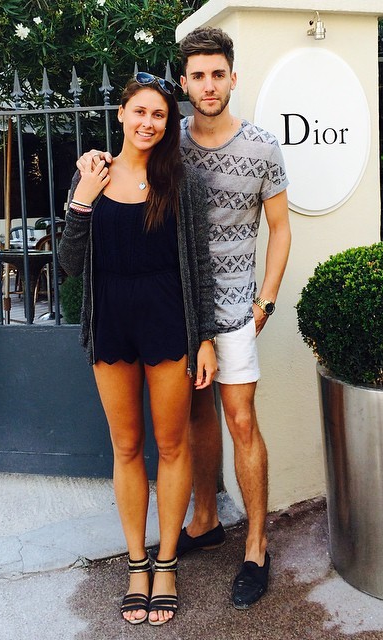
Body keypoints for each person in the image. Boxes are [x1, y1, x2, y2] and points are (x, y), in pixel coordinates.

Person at [80, 26, 291, 610]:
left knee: (239, 420)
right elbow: (119, 177)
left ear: (232, 77)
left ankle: (256, 547)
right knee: (193, 424)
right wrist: (89, 168)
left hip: (235, 311)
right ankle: (204, 519)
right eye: (197, 76)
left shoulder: (261, 146)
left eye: (217, 73)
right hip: (180, 312)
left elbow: (280, 229)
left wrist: (265, 300)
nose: (208, 85)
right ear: (185, 84)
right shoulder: (171, 147)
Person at [58, 72, 217, 627]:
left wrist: (205, 338)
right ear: (122, 113)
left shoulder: (182, 181)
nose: (148, 123)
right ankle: (136, 565)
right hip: (112, 323)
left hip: (168, 321)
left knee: (172, 445)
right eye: (140, 112)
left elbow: (200, 265)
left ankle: (166, 563)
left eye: (159, 115)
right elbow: (70, 266)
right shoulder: (92, 175)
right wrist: (82, 201)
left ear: (168, 124)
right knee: (126, 447)